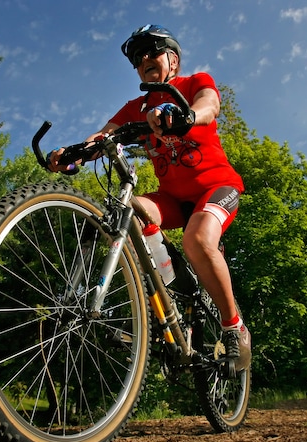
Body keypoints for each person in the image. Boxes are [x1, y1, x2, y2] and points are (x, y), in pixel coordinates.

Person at [48, 24, 250, 370]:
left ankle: (235, 329)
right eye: (137, 58)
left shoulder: (193, 83)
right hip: (172, 198)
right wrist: (76, 152)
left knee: (199, 239)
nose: (144, 60)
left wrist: (185, 116)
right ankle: (171, 288)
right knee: (126, 209)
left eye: (152, 51)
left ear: (172, 59)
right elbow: (105, 136)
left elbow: (209, 105)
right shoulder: (136, 107)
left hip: (216, 188)